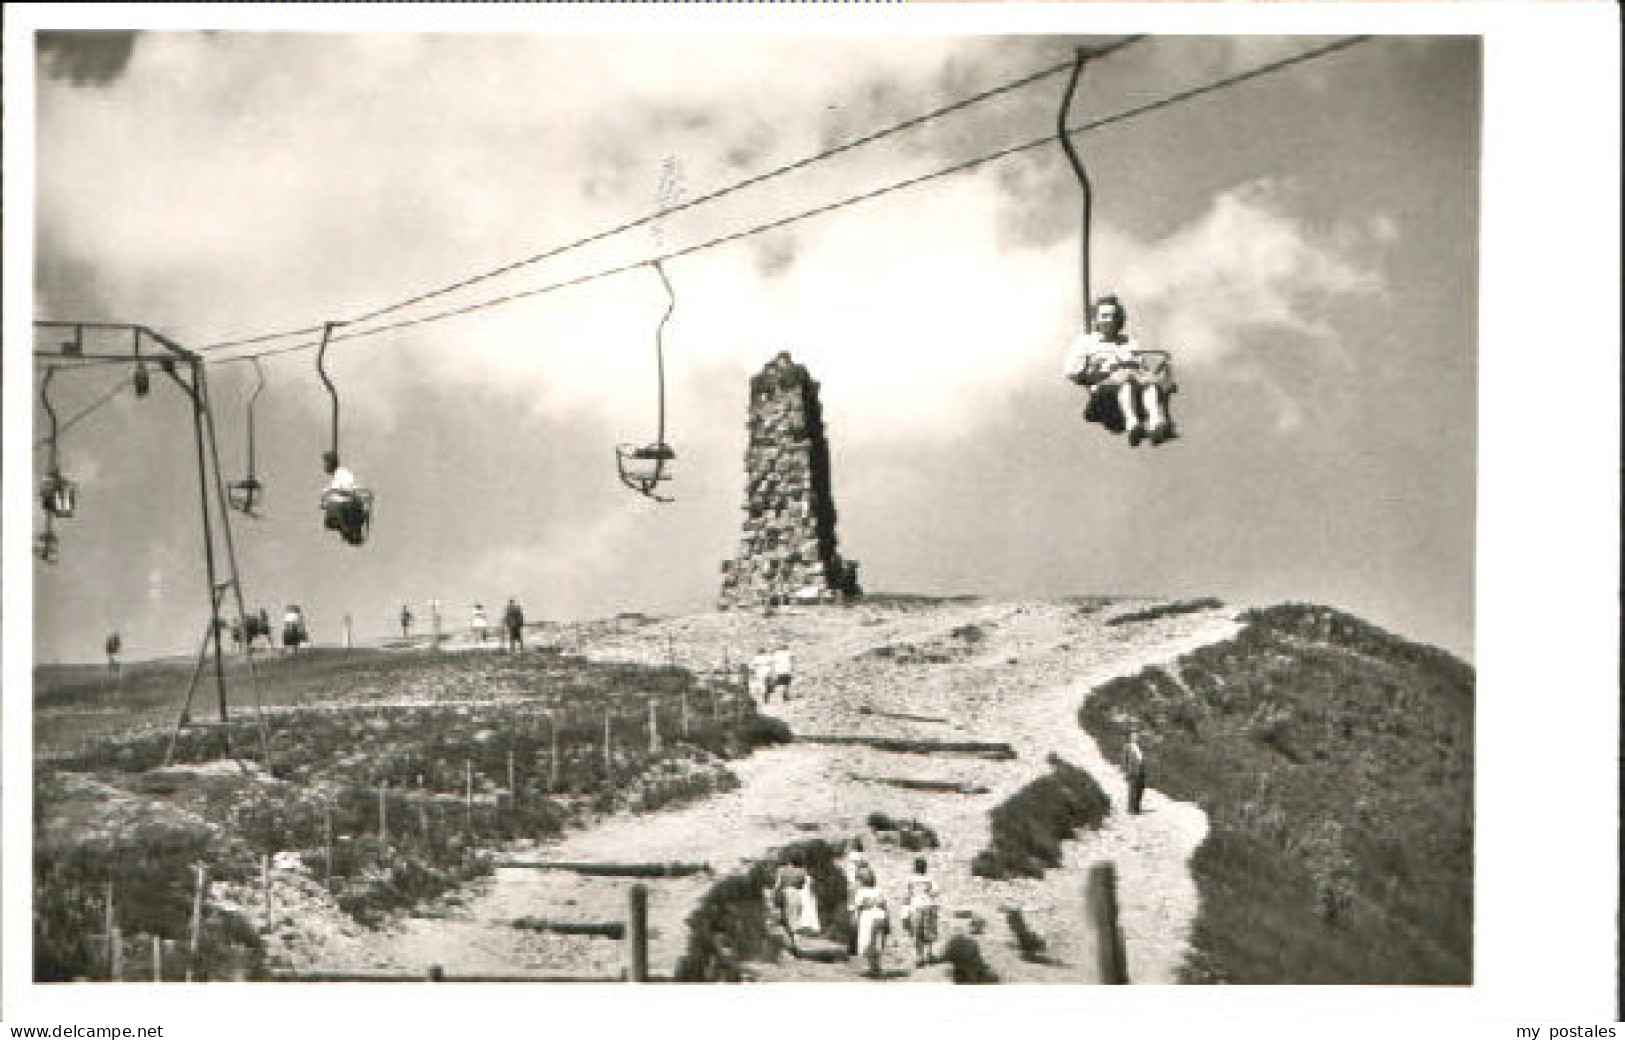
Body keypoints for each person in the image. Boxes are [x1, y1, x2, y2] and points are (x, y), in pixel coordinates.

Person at [1061, 295, 1175, 447]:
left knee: (1148, 384)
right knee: (1125, 382)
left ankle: (1156, 424)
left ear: (1118, 319)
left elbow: (1140, 366)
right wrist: (1100, 374)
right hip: (1105, 388)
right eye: (1104, 316)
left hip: (1133, 382)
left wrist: (1147, 375)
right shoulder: (1086, 342)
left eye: (1112, 316)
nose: (1109, 320)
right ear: (1097, 319)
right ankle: (1132, 424)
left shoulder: (1129, 342)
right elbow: (1071, 371)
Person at [850, 866, 891, 978]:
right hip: (880, 917)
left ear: (861, 881)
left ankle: (874, 968)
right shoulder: (879, 891)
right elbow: (885, 907)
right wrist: (888, 921)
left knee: (867, 943)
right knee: (877, 943)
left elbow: (857, 909)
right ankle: (877, 967)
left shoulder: (860, 893)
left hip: (868, 918)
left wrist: (854, 921)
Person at [902, 856, 941, 968]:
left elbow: (907, 895)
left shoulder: (910, 880)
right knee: (929, 930)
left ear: (914, 868)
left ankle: (919, 957)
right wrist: (928, 893)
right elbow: (935, 892)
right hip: (928, 906)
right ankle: (929, 954)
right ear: (925, 868)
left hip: (915, 907)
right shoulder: (929, 879)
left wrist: (905, 908)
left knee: (917, 932)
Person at [1124, 727, 1148, 814]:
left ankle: (1136, 808)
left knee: (1140, 789)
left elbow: (1141, 759)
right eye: (1133, 735)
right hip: (1132, 771)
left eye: (1136, 735)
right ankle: (1131, 809)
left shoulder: (1139, 747)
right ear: (1130, 737)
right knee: (1132, 791)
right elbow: (1125, 760)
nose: (1136, 737)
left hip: (1141, 771)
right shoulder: (1127, 747)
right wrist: (1126, 771)